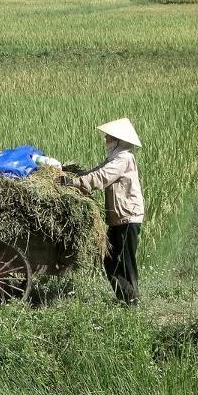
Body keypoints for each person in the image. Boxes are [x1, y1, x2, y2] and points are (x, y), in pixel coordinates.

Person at [63, 118, 144, 305]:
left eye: (108, 136)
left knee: (123, 261)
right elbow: (97, 170)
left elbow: (102, 177)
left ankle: (132, 300)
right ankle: (127, 298)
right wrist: (75, 176)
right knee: (109, 259)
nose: (106, 138)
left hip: (127, 216)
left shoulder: (124, 158)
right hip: (119, 217)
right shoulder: (115, 158)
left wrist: (76, 183)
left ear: (117, 140)